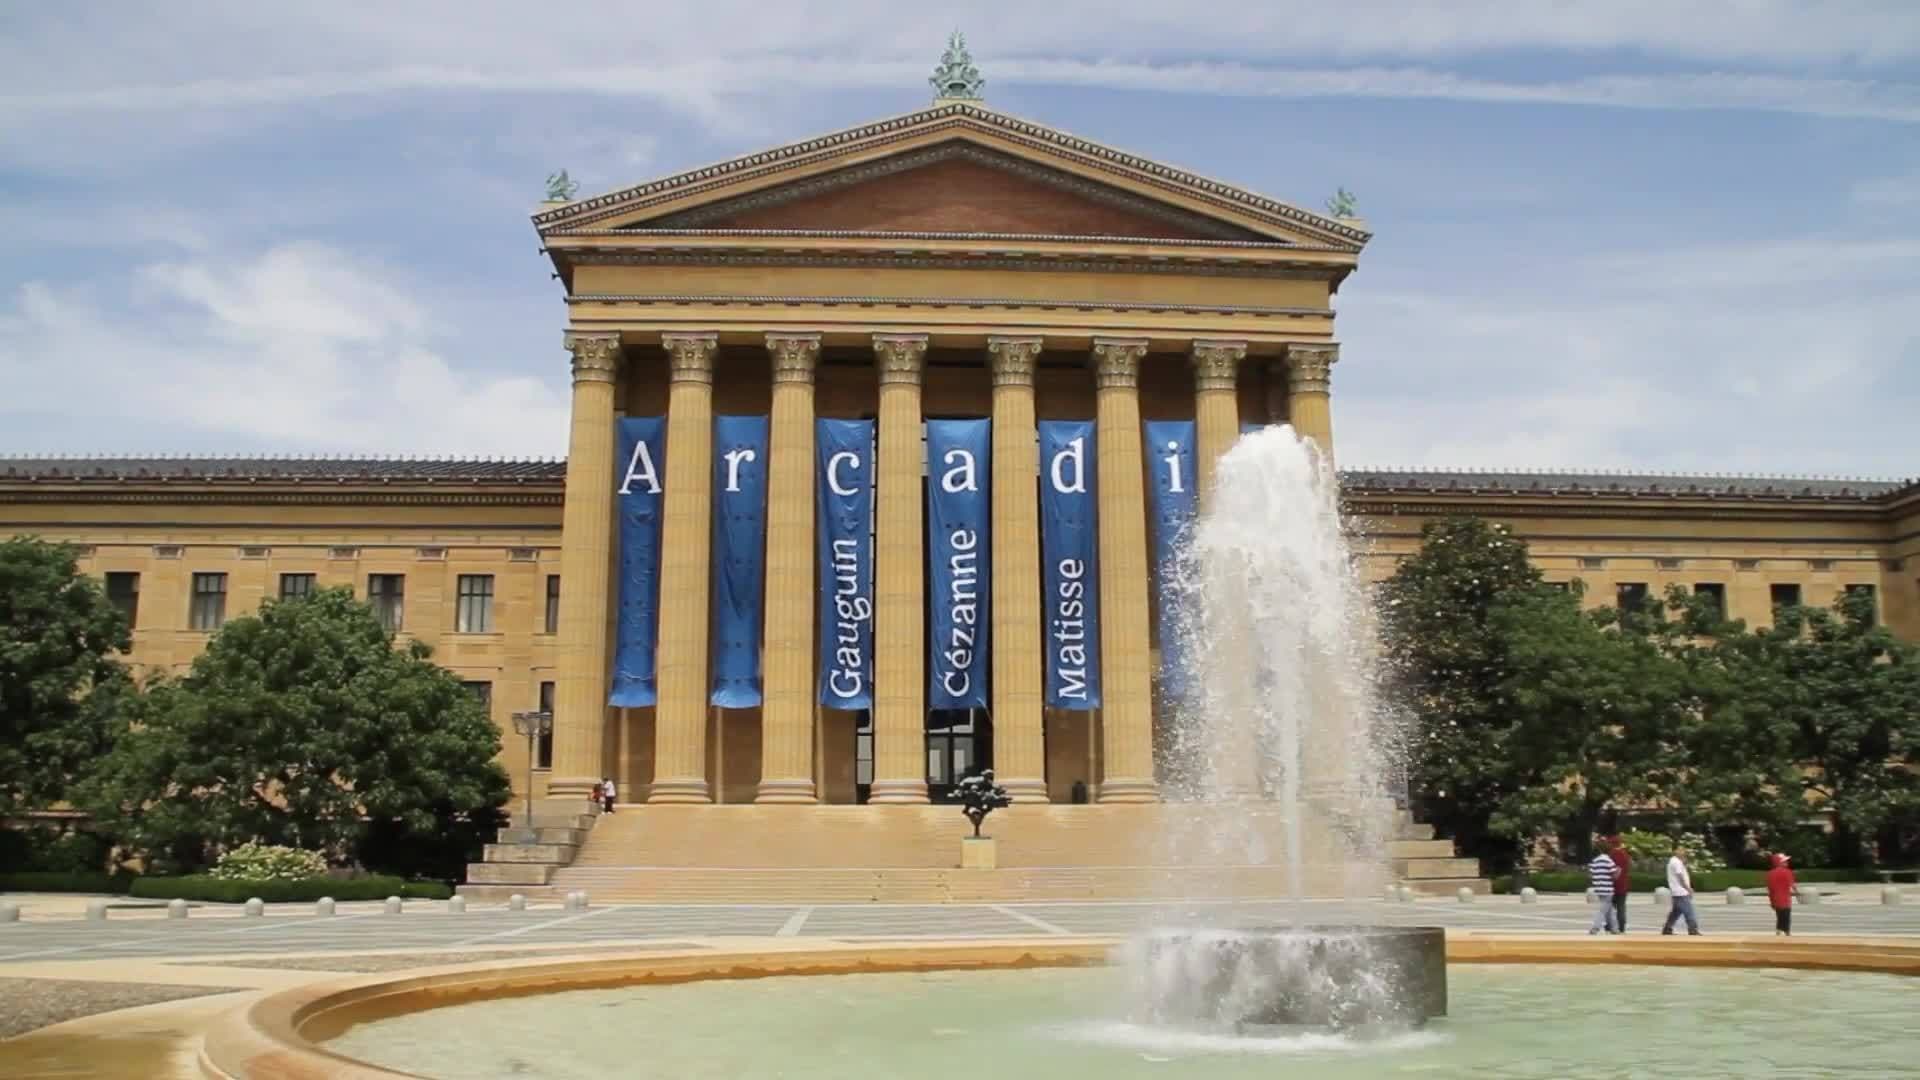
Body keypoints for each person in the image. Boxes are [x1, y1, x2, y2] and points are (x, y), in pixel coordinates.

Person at [1661, 844, 1701, 936]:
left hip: (1677, 891)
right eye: (1680, 850)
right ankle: (1692, 929)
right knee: (1689, 911)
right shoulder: (1676, 862)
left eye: (1683, 850)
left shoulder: (1676, 861)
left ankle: (1667, 928)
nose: (1682, 852)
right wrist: (1688, 888)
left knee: (1675, 912)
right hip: (1680, 891)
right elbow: (1680, 877)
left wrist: (1684, 863)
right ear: (1675, 851)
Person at [1586, 847, 1619, 935]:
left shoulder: (1594, 861)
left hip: (1599, 888)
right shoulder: (1608, 860)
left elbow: (1590, 875)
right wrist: (1619, 870)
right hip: (1607, 889)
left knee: (1610, 910)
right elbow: (1615, 874)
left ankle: (1615, 929)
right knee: (1603, 910)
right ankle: (1595, 928)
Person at [1606, 834, 1632, 933]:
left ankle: (1610, 925)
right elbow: (1627, 867)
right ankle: (1622, 926)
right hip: (1624, 885)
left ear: (1612, 844)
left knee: (1609, 906)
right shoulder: (1625, 855)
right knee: (1621, 907)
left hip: (1612, 884)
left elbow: (1612, 870)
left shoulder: (1612, 855)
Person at [1767, 852, 1797, 936]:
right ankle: (1787, 933)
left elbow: (1770, 889)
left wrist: (1771, 902)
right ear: (1779, 862)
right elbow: (1793, 886)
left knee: (1779, 916)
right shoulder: (1788, 872)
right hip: (1786, 900)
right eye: (1785, 861)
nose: (1787, 863)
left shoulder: (1770, 874)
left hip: (1775, 900)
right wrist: (1797, 893)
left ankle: (1778, 931)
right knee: (1786, 917)